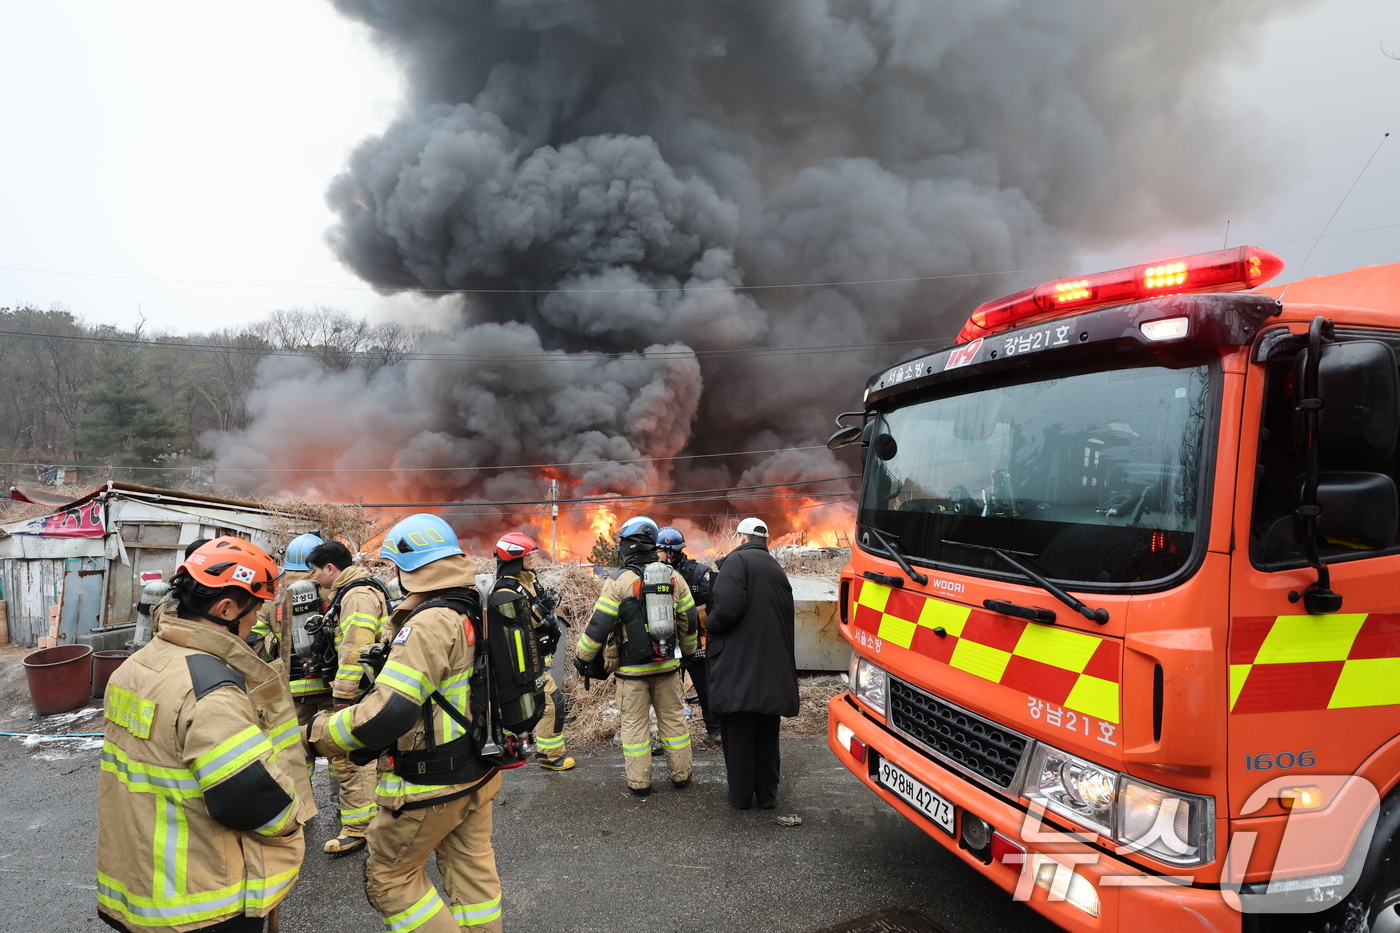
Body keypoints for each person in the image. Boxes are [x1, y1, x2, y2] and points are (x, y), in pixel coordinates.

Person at [97, 536, 314, 933]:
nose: (256, 619)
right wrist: (292, 825)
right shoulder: (209, 688)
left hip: (137, 885)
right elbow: (252, 798)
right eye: (256, 607)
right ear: (226, 608)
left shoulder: (136, 665)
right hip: (200, 901)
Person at [320, 514, 504, 933]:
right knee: (473, 877)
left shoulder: (428, 621)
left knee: (389, 879)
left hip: (431, 782)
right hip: (478, 768)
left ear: (408, 568)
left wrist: (317, 737)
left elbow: (391, 711)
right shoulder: (475, 603)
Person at [574, 516, 698, 796]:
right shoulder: (673, 577)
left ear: (629, 546)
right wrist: (688, 654)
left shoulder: (618, 581)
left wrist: (582, 658)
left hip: (631, 672)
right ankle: (681, 776)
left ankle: (640, 783)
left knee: (634, 728)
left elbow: (599, 626)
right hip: (666, 665)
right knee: (674, 722)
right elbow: (689, 621)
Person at [707, 516, 798, 810]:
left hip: (741, 672)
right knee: (767, 733)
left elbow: (727, 610)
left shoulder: (737, 562)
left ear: (742, 539)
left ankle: (741, 797)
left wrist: (708, 622)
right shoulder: (776, 569)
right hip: (772, 672)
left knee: (740, 733)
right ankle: (768, 794)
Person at [307, 540, 389, 854]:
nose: (314, 577)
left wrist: (342, 697)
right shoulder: (355, 590)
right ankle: (375, 820)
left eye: (316, 571)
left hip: (359, 691)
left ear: (331, 568)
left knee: (350, 757)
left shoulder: (356, 595)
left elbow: (356, 649)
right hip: (368, 688)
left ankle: (357, 830)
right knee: (372, 758)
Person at [491, 531, 575, 771]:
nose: (533, 559)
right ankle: (550, 755)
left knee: (548, 703)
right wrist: (539, 611)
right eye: (529, 555)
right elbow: (518, 626)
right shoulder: (504, 592)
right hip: (523, 664)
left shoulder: (526, 580)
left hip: (535, 659)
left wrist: (545, 604)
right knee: (552, 703)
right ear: (515, 556)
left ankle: (539, 750)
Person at [656, 525, 720, 745]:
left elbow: (717, 601)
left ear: (670, 552)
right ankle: (670, 736)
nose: (657, 554)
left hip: (696, 642)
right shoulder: (654, 574)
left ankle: (715, 730)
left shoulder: (698, 573)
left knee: (705, 687)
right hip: (666, 641)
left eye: (659, 550)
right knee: (668, 694)